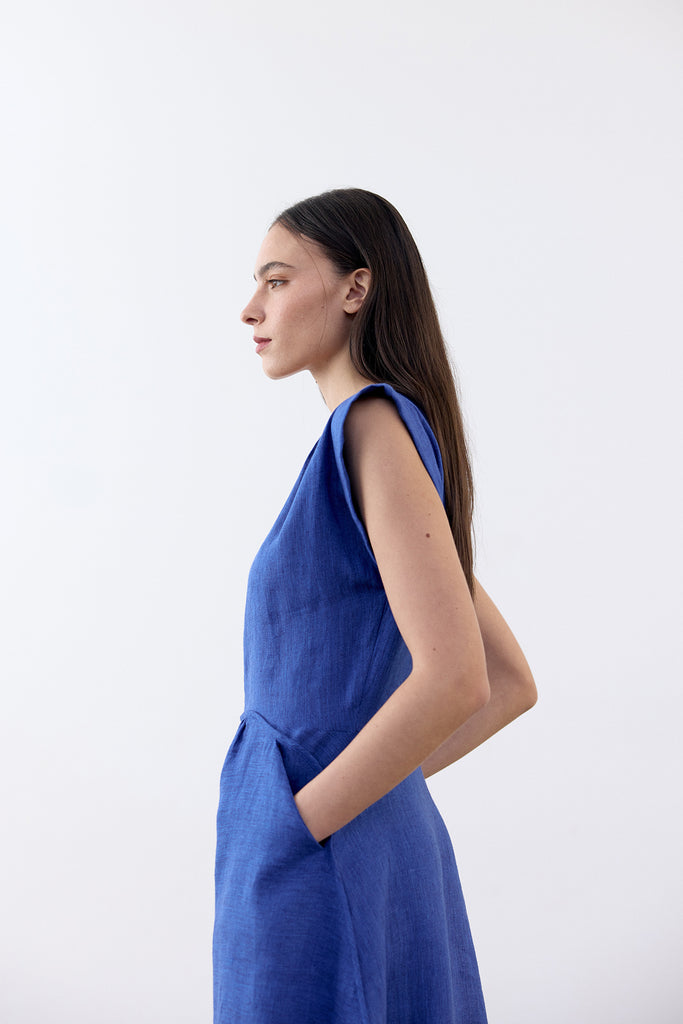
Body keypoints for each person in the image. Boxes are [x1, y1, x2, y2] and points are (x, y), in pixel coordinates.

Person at [213, 188, 537, 1024]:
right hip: (349, 837)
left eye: (276, 280)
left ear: (355, 288)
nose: (250, 308)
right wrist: (367, 802)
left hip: (318, 849)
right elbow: (508, 681)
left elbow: (461, 680)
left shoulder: (370, 429)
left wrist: (302, 821)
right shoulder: (375, 446)